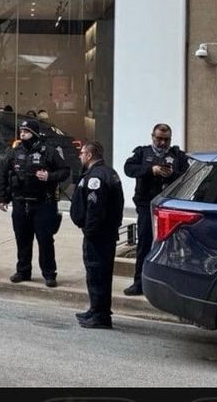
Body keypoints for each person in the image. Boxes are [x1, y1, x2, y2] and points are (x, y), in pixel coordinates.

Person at [0, 118, 69, 286]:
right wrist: (2, 198)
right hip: (21, 202)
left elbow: (65, 171)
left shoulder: (48, 151)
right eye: (21, 131)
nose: (22, 134)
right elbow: (3, 173)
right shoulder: (15, 152)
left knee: (45, 240)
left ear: (35, 134)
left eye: (26, 132)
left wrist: (49, 176)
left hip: (43, 203)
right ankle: (23, 271)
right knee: (22, 239)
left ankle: (49, 273)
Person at [122, 123, 189, 295]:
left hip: (170, 207)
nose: (162, 143)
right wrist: (151, 170)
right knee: (144, 244)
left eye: (166, 140)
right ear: (152, 136)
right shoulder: (142, 153)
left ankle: (168, 286)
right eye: (159, 139)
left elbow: (188, 175)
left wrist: (172, 174)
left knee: (171, 246)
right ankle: (139, 283)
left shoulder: (177, 155)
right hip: (147, 206)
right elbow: (128, 168)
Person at [71, 140, 124, 329]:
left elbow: (96, 208)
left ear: (90, 155)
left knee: (97, 274)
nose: (80, 156)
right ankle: (95, 309)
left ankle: (101, 316)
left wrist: (90, 231)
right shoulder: (107, 172)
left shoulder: (97, 177)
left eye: (82, 153)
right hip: (102, 234)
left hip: (99, 236)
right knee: (96, 274)